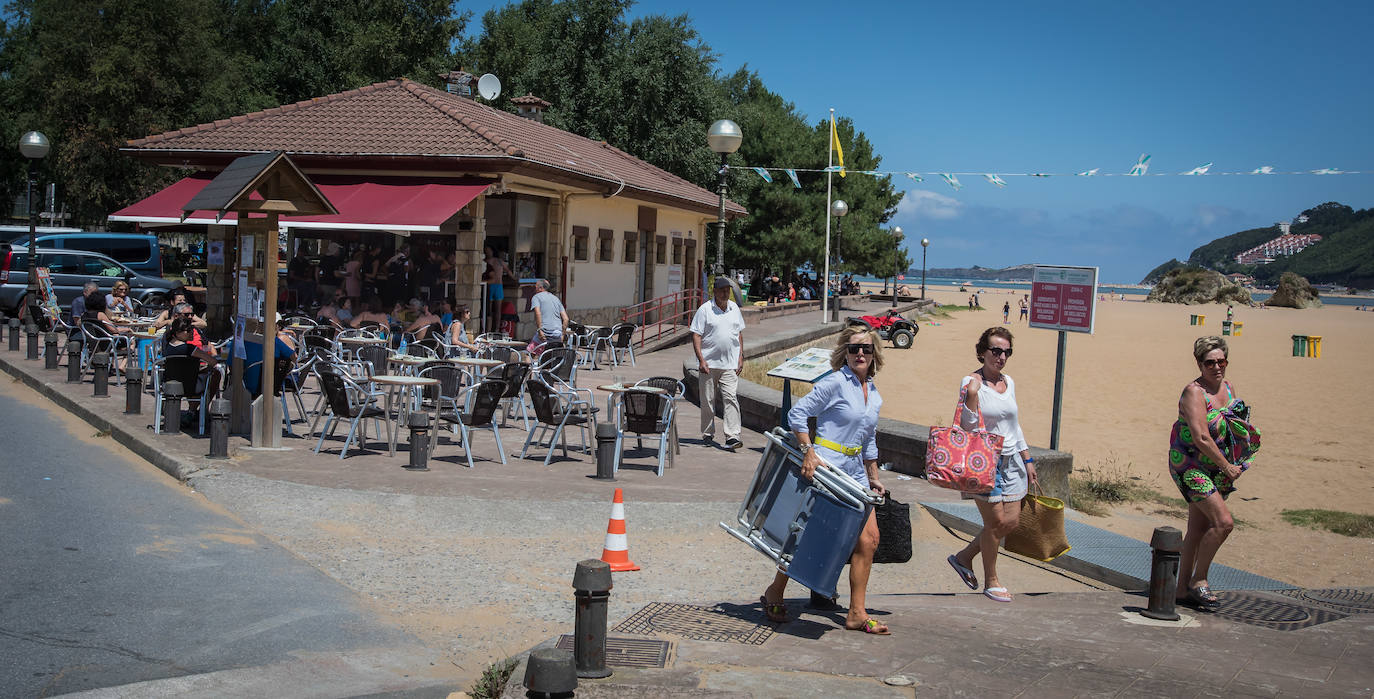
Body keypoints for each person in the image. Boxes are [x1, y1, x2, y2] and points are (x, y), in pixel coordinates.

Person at [760, 324, 889, 634]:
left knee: (869, 540)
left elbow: (869, 439)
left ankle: (857, 612)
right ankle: (775, 591)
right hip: (828, 468)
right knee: (806, 537)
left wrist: (874, 477)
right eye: (854, 348)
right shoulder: (835, 383)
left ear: (874, 355)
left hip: (856, 471)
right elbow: (798, 414)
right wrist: (808, 452)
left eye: (866, 348)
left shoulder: (873, 394)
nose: (860, 353)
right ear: (844, 353)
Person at [1169, 336, 1259, 612]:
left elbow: (1235, 422)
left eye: (1221, 361)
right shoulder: (1193, 392)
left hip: (1215, 468)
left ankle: (1181, 589)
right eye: (1210, 362)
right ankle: (1200, 580)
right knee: (1223, 523)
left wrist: (1239, 456)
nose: (1217, 367)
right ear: (1199, 363)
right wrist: (1227, 466)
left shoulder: (1228, 387)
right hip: (1190, 466)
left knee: (1199, 528)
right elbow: (1201, 437)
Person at [946, 327, 1034, 604]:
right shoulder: (971, 381)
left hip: (1013, 463)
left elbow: (1013, 425)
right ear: (983, 351)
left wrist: (1027, 457)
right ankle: (991, 581)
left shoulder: (1009, 382)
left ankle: (963, 558)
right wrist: (972, 395)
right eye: (996, 351)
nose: (1001, 356)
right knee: (994, 522)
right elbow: (966, 427)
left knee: (1010, 522)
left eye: (1006, 352)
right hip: (984, 463)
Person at [690, 277, 745, 451]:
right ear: (715, 291)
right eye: (722, 290)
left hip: (729, 364)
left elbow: (739, 334)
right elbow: (696, 336)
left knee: (731, 398)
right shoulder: (705, 310)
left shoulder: (734, 308)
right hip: (709, 363)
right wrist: (701, 360)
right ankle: (707, 432)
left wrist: (740, 356)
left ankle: (732, 436)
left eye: (727, 290)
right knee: (707, 400)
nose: (725, 293)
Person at [529, 279, 568, 346]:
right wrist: (562, 335)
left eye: (536, 287)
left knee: (530, 353)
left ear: (540, 288)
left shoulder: (536, 297)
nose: (535, 290)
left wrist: (539, 330)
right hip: (557, 334)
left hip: (545, 332)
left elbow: (538, 313)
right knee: (550, 354)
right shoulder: (556, 299)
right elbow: (566, 319)